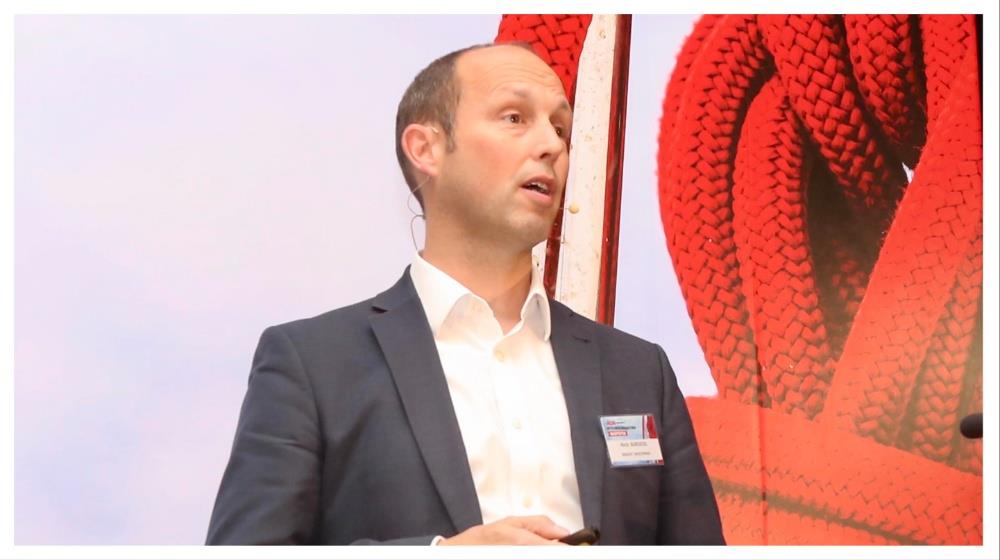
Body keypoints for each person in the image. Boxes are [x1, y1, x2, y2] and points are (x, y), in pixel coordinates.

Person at [206, 42, 724, 546]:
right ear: (425, 149)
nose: (551, 145)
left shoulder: (639, 373)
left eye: (560, 128)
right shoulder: (313, 365)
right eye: (514, 118)